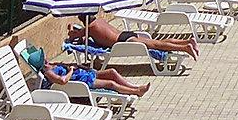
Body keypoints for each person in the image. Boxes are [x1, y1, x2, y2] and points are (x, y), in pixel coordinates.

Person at [12, 33, 149, 97]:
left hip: (84, 73)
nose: (46, 59)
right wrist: (71, 70)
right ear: (41, 63)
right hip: (81, 81)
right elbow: (63, 81)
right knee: (111, 84)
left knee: (112, 71)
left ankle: (135, 86)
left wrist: (79, 66)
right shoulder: (48, 73)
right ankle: (136, 92)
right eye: (44, 58)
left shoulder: (51, 65)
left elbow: (66, 65)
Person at [80, 12, 197, 60]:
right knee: (157, 42)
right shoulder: (99, 21)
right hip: (125, 34)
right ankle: (187, 42)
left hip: (123, 41)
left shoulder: (90, 28)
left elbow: (73, 35)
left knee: (157, 45)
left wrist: (71, 27)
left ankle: (185, 48)